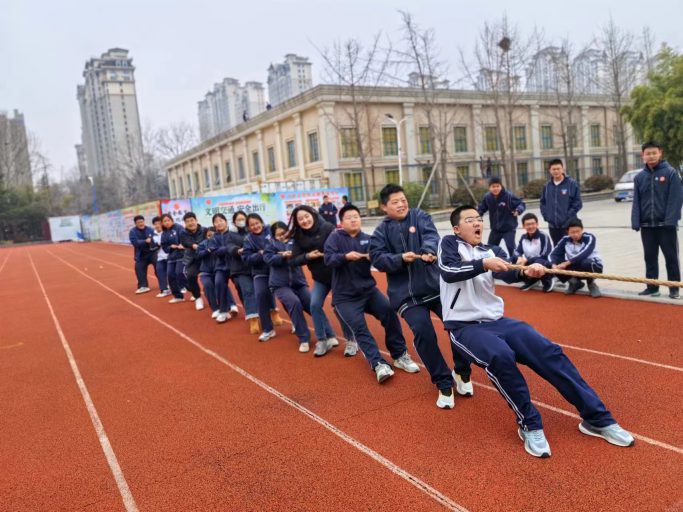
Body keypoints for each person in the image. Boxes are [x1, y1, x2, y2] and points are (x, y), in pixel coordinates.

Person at [437, 204, 634, 458]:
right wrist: (484, 264)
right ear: (457, 228)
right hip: (464, 327)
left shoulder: (492, 250)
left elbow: (510, 275)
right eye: (470, 219)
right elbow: (449, 271)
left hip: (498, 321)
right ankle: (529, 423)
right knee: (500, 355)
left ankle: (597, 418)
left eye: (478, 218)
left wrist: (532, 271)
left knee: (548, 351)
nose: (477, 223)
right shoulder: (449, 245)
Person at [370, 184, 473, 409]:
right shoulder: (380, 232)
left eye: (403, 199)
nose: (401, 204)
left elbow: (431, 235)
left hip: (436, 288)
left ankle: (462, 373)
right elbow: (377, 258)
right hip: (406, 296)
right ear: (384, 207)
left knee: (459, 327)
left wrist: (427, 251)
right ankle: (443, 383)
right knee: (424, 333)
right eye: (395, 202)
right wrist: (399, 259)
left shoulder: (420, 216)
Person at [325, 204, 420, 384]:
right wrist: (345, 257)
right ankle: (378, 364)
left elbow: (383, 258)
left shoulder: (369, 239)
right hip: (345, 297)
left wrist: (377, 257)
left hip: (369, 291)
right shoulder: (335, 238)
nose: (353, 219)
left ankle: (400, 355)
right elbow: (328, 259)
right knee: (360, 329)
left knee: (390, 313)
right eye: (349, 217)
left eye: (356, 216)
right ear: (341, 222)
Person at [288, 205, 355, 357]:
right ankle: (322, 340)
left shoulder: (327, 228)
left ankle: (351, 340)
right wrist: (307, 256)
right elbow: (293, 260)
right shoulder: (299, 236)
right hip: (320, 278)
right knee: (314, 305)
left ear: (313, 214)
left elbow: (341, 247)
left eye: (306, 216)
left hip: (337, 275)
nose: (304, 220)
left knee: (338, 307)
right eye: (300, 219)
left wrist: (328, 254)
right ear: (297, 222)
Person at [631, 141, 682, 299]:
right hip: (647, 226)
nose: (651, 156)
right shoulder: (640, 177)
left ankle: (674, 288)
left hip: (666, 226)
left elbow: (676, 199)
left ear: (660, 153)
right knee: (650, 258)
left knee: (671, 258)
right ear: (643, 156)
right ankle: (652, 287)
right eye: (648, 153)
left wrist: (670, 221)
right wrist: (635, 221)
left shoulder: (671, 173)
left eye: (654, 153)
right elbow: (636, 200)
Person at [264, 221, 313, 353]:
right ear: (273, 235)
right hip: (280, 284)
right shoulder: (271, 245)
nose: (281, 236)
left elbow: (304, 255)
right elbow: (268, 259)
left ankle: (328, 333)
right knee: (294, 302)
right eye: (278, 235)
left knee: (313, 304)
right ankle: (304, 338)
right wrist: (282, 257)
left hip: (299, 282)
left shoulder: (295, 241)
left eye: (284, 233)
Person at [242, 213, 284, 341]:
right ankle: (268, 329)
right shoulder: (248, 239)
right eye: (252, 225)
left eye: (257, 223)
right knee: (260, 295)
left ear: (261, 222)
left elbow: (282, 242)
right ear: (248, 228)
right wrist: (259, 255)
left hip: (276, 268)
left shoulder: (271, 230)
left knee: (286, 295)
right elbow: (246, 258)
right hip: (260, 271)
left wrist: (268, 252)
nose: (255, 226)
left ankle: (296, 324)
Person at [549, 218, 603, 298]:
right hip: (575, 266)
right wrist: (553, 265)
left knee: (586, 262)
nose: (576, 234)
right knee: (554, 264)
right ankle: (574, 283)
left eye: (578, 231)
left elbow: (584, 253)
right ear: (568, 232)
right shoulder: (565, 240)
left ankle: (591, 284)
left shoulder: (590, 237)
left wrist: (567, 263)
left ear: (582, 230)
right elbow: (553, 254)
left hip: (593, 266)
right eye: (572, 232)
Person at [226, 211, 260, 333]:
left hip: (256, 266)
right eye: (238, 219)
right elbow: (229, 247)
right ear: (234, 222)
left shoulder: (253, 231)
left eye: (243, 219)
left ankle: (271, 312)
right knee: (247, 291)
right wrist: (237, 250)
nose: (241, 221)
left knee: (262, 291)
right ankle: (253, 318)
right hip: (240, 268)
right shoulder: (230, 234)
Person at [477, 176, 525, 257]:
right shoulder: (487, 197)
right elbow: (482, 208)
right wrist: (477, 216)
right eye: (493, 186)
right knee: (490, 248)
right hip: (495, 229)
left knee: (511, 247)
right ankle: (494, 265)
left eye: (497, 186)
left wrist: (518, 210)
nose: (495, 188)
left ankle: (516, 265)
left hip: (509, 228)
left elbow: (521, 203)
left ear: (501, 186)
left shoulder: (509, 196)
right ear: (489, 188)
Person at [540, 159, 583, 246]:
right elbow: (543, 203)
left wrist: (567, 217)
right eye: (553, 169)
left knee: (572, 247)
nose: (556, 171)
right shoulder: (547, 186)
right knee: (557, 248)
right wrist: (547, 217)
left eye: (558, 169)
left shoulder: (571, 184)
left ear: (563, 169)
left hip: (568, 225)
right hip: (553, 225)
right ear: (550, 171)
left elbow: (578, 203)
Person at [207, 213, 239, 323]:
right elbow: (214, 252)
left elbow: (237, 248)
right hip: (220, 266)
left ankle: (251, 311)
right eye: (216, 221)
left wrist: (224, 249)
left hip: (235, 265)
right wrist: (229, 248)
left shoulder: (233, 233)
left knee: (240, 286)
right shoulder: (213, 237)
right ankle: (224, 311)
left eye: (221, 220)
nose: (219, 223)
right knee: (219, 284)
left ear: (226, 221)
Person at [513, 213, 554, 293]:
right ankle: (533, 279)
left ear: (537, 224)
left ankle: (548, 279)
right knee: (514, 259)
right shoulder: (523, 237)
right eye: (528, 224)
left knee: (538, 262)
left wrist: (528, 261)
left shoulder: (543, 236)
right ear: (523, 226)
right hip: (530, 264)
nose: (530, 226)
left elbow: (544, 255)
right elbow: (517, 251)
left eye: (532, 224)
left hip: (544, 263)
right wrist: (519, 258)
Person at [180, 212, 208, 311]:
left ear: (196, 220)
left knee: (209, 278)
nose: (190, 223)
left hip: (205, 258)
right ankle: (198, 297)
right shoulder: (183, 233)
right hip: (192, 259)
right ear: (185, 224)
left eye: (192, 220)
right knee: (191, 276)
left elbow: (209, 239)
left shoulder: (205, 230)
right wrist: (193, 246)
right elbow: (185, 242)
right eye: (187, 222)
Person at [128, 215, 158, 294]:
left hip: (152, 252)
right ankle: (143, 286)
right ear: (135, 224)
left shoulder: (150, 229)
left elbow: (155, 239)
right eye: (138, 222)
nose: (140, 224)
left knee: (159, 267)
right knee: (139, 268)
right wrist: (145, 241)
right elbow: (135, 242)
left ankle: (164, 284)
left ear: (144, 221)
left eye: (141, 222)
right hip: (141, 255)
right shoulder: (132, 232)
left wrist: (152, 241)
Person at [160, 213, 186, 304]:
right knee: (170, 275)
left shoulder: (179, 228)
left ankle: (193, 291)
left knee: (179, 273)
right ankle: (178, 296)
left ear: (172, 220)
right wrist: (171, 246)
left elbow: (185, 238)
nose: (167, 223)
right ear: (162, 223)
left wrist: (182, 244)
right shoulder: (164, 234)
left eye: (168, 220)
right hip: (171, 257)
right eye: (164, 221)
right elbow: (165, 247)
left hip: (181, 255)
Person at [197, 228, 220, 318]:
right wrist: (208, 250)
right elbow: (198, 255)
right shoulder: (203, 244)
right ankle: (215, 309)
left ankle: (229, 305)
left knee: (221, 284)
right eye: (209, 235)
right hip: (205, 271)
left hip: (217, 270)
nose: (211, 237)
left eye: (213, 235)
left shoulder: (220, 243)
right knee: (207, 285)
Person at [152, 216, 171, 298]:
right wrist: (157, 245)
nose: (157, 225)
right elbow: (151, 246)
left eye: (159, 223)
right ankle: (164, 290)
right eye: (155, 224)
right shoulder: (152, 235)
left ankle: (181, 287)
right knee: (160, 273)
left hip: (169, 256)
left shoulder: (167, 232)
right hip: (160, 257)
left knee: (172, 274)